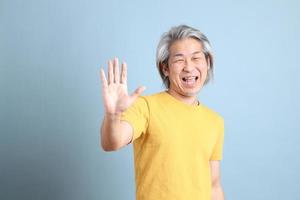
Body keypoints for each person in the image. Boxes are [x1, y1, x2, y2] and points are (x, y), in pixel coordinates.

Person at [100, 25, 225, 200]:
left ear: (207, 62)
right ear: (165, 68)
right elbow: (111, 143)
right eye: (179, 60)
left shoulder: (215, 121)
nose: (189, 67)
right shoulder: (146, 107)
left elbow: (214, 185)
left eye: (196, 58)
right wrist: (113, 116)